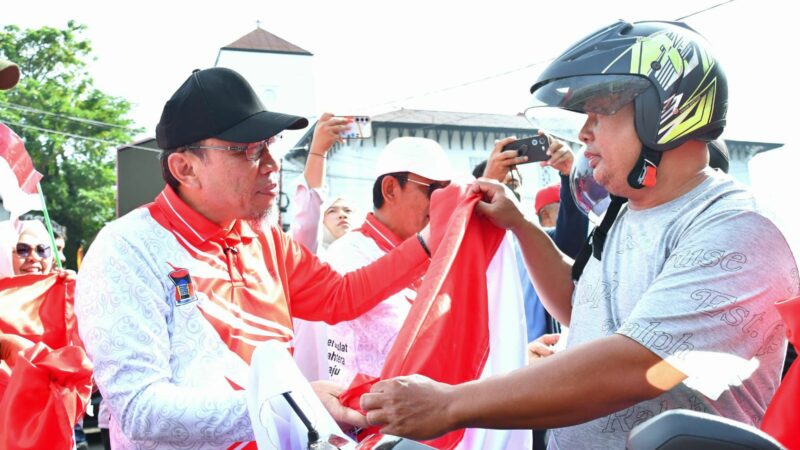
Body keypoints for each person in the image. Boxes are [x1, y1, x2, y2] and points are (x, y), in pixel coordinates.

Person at [361, 20, 798, 449]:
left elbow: (640, 365)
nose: (584, 133)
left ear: (663, 114)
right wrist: (521, 225)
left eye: (601, 112)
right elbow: (579, 305)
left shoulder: (735, 227)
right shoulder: (628, 214)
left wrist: (451, 403)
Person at [74, 67, 433, 450]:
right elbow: (140, 409)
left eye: (270, 145)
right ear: (185, 168)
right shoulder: (127, 249)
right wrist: (291, 406)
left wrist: (430, 241)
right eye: (247, 150)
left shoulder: (265, 241)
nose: (271, 164)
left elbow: (341, 295)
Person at [323, 136, 451, 384]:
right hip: (368, 417)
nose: (441, 203)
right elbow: (405, 345)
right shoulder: (347, 255)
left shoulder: (435, 252)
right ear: (390, 189)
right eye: (434, 190)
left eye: (447, 193)